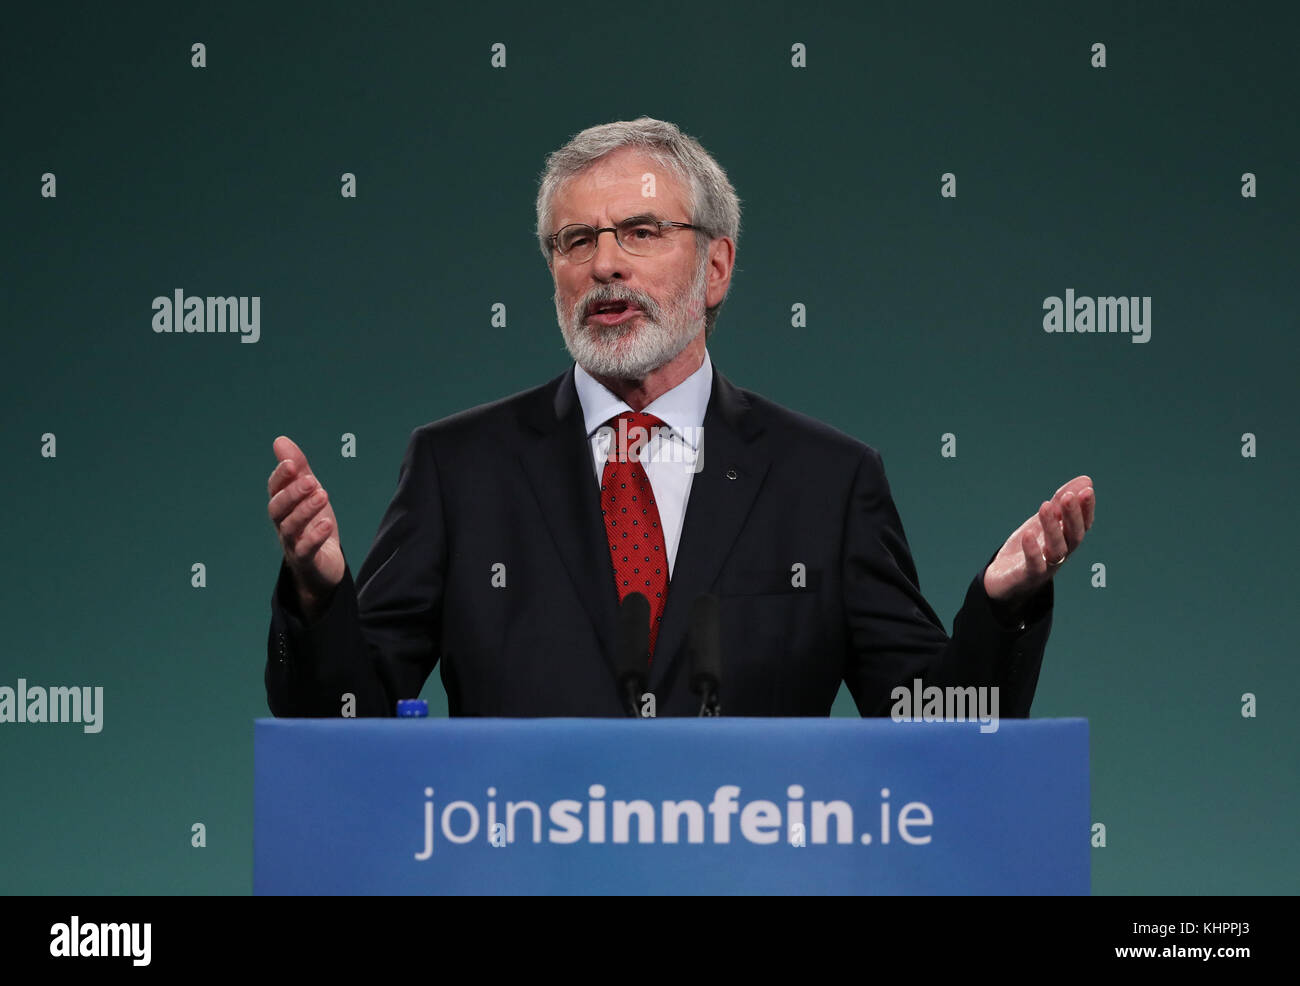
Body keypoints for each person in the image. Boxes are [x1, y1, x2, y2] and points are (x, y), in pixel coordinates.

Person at [265, 117, 1095, 718]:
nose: (604, 264)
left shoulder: (827, 482)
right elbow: (347, 726)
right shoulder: (459, 469)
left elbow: (933, 728)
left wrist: (999, 605)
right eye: (574, 240)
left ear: (716, 266)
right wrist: (318, 593)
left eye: (641, 231)